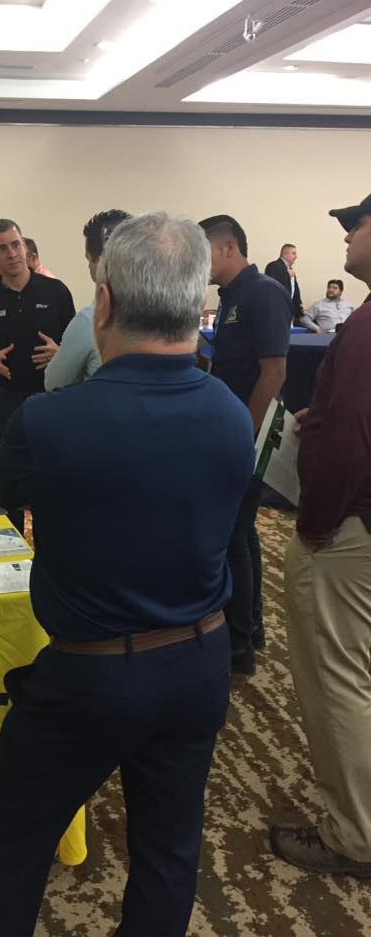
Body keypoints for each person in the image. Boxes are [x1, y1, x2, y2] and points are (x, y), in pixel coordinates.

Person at [0, 212, 255, 937]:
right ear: (196, 304)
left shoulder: (51, 420)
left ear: (104, 304)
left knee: (14, 847)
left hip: (87, 676)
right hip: (200, 662)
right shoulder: (231, 414)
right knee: (168, 852)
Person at [270, 193, 371, 877]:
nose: (346, 236)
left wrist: (314, 525)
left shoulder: (366, 327)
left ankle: (354, 837)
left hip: (348, 528)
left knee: (339, 677)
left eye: (356, 224)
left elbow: (351, 445)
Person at [199, 215, 291, 675]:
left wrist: (245, 435)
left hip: (248, 436)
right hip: (231, 432)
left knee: (233, 533)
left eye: (204, 253)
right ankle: (250, 626)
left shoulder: (263, 292)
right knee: (243, 530)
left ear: (228, 248)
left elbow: (274, 371)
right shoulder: (230, 296)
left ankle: (238, 644)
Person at [45, 209, 129, 391]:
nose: (88, 266)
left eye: (89, 260)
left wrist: (68, 358)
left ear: (101, 262)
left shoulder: (88, 321)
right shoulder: (161, 313)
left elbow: (53, 383)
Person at [265, 244, 320, 331]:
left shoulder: (290, 269)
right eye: (293, 253)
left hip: (288, 312)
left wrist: (299, 308)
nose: (296, 256)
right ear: (285, 254)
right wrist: (288, 276)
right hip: (277, 311)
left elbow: (294, 291)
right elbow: (272, 287)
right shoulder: (273, 266)